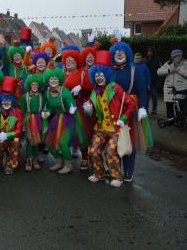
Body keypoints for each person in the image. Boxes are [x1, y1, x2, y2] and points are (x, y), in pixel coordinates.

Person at [83, 51, 136, 187]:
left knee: (110, 151)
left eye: (101, 75)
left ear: (106, 75)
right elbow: (91, 111)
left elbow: (131, 104)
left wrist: (123, 119)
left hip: (115, 129)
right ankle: (99, 173)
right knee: (93, 150)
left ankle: (117, 176)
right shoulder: (94, 91)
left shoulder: (115, 87)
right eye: (96, 75)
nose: (99, 77)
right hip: (101, 128)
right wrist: (88, 109)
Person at [110, 38, 150, 181]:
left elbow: (142, 90)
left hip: (130, 108)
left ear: (127, 53)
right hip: (113, 110)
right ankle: (117, 168)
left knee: (129, 141)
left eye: (122, 52)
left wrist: (143, 107)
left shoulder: (135, 70)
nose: (119, 54)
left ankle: (128, 170)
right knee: (114, 141)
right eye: (117, 52)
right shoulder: (109, 71)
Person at [61, 47, 93, 170]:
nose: (68, 62)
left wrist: (82, 87)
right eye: (67, 61)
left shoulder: (83, 72)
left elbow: (91, 87)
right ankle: (67, 160)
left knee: (81, 135)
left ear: (77, 61)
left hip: (80, 109)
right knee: (67, 134)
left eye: (71, 60)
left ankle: (85, 158)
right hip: (68, 109)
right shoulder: (65, 74)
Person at [42, 68, 78, 174]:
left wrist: (72, 108)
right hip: (57, 119)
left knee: (62, 143)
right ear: (48, 81)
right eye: (51, 79)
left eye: (55, 79)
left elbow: (72, 104)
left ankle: (68, 165)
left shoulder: (65, 92)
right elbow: (48, 106)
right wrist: (47, 112)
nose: (53, 81)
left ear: (59, 80)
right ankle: (59, 161)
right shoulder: (48, 93)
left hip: (69, 119)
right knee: (48, 142)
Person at [20, 74, 45, 171]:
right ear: (29, 86)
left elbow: (44, 107)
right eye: (32, 85)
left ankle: (35, 158)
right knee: (29, 140)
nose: (34, 86)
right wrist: (23, 122)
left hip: (38, 119)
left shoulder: (41, 96)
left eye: (36, 85)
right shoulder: (24, 96)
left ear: (39, 86)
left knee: (37, 140)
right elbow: (22, 110)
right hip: (28, 119)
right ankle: (29, 159)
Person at [157, 49, 187, 121]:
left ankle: (179, 120)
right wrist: (168, 70)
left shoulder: (185, 63)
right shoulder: (168, 64)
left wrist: (179, 71)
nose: (178, 58)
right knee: (169, 106)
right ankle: (170, 120)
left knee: (180, 106)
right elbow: (159, 72)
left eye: (179, 56)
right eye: (176, 56)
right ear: (172, 57)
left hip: (181, 89)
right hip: (169, 89)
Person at [144, 46, 160, 114]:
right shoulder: (144, 60)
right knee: (146, 96)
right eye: (148, 51)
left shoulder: (157, 59)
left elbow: (160, 69)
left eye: (151, 51)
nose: (149, 52)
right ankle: (146, 109)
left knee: (154, 95)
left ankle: (154, 109)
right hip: (146, 81)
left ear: (153, 52)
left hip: (154, 80)